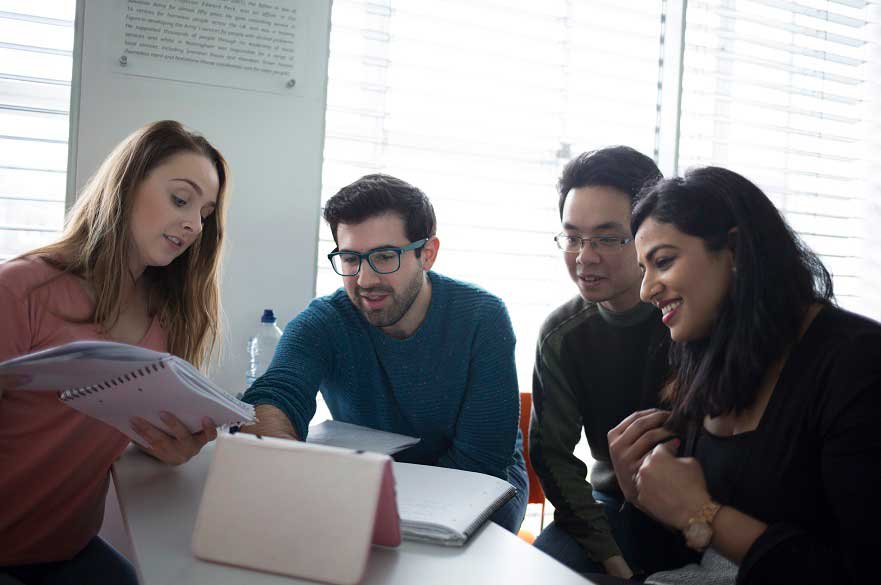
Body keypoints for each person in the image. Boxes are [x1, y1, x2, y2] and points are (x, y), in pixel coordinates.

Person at [612, 166, 880, 584]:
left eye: (662, 261)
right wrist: (642, 496)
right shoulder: (702, 356)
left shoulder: (859, 364)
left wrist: (701, 514)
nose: (646, 290)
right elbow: (674, 561)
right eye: (643, 269)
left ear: (735, 252)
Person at [0, 120, 230, 584]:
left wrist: (168, 446)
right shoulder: (21, 289)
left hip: (66, 549)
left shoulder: (168, 317)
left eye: (204, 213)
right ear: (126, 187)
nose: (192, 224)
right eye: (181, 199)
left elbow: (125, 428)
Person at [240, 173, 528, 532]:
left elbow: (482, 460)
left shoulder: (482, 316)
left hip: (485, 482)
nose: (364, 280)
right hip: (372, 476)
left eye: (384, 256)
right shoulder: (323, 321)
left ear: (427, 254)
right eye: (350, 259)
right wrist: (281, 456)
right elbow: (275, 395)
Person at [530, 146, 689, 579]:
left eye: (607, 238)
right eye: (573, 237)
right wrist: (612, 560)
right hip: (608, 509)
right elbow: (553, 457)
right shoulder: (563, 334)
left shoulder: (694, 314)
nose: (584, 256)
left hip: (697, 508)